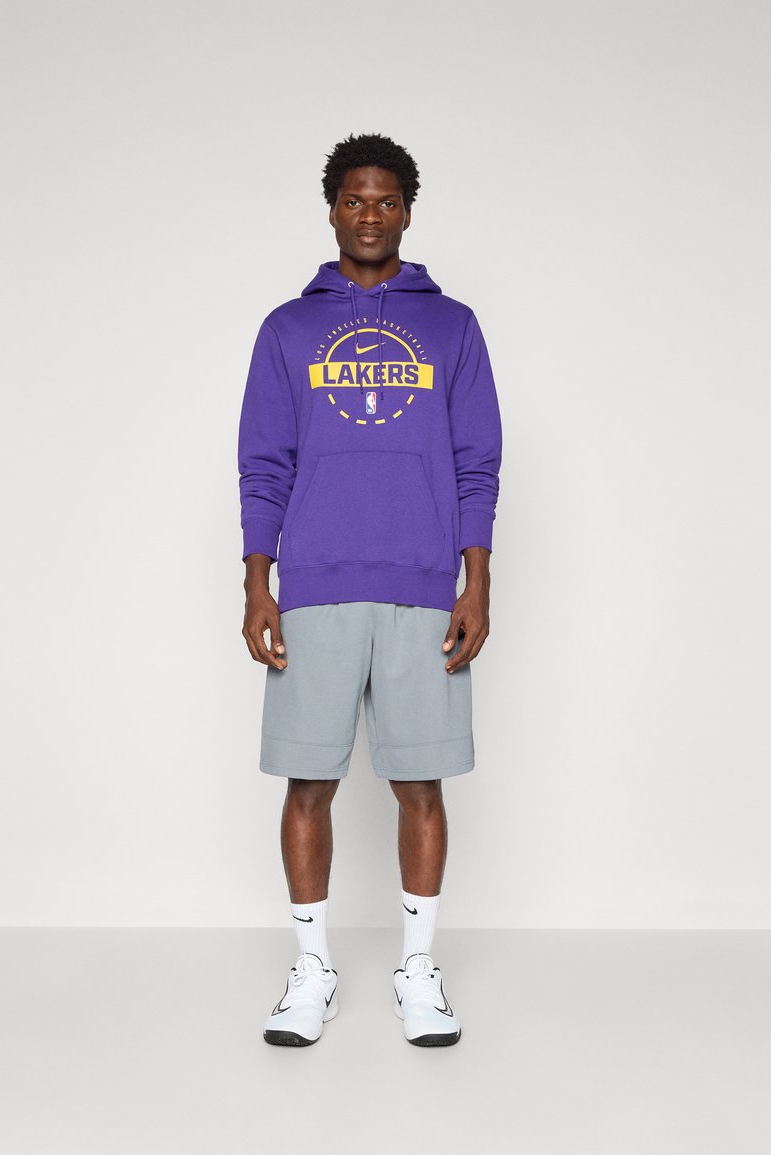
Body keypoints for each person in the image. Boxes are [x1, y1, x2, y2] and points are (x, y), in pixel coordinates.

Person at [237, 133, 502, 1048]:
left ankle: (418, 969)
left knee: (419, 781)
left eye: (387, 200)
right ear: (332, 210)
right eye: (355, 199)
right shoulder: (287, 329)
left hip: (423, 583)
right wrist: (258, 581)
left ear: (407, 211)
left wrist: (476, 579)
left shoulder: (453, 327)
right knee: (308, 780)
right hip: (314, 583)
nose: (370, 215)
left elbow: (477, 462)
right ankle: (311, 969)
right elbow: (263, 464)